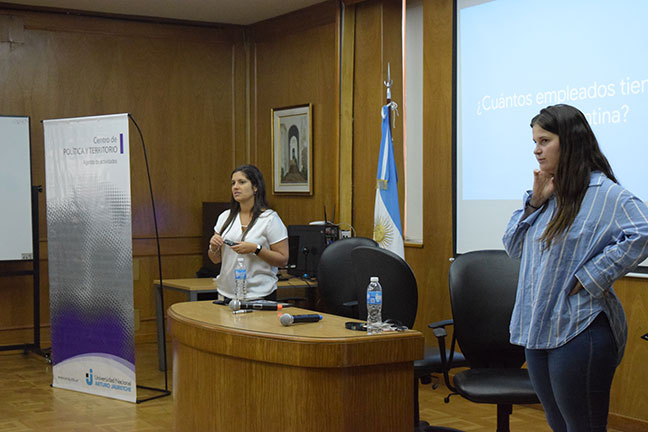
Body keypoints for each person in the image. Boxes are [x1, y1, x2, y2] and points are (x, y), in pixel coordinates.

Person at [502, 104, 648, 432]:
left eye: (544, 140)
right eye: (535, 141)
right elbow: (513, 247)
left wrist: (594, 274)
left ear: (568, 141)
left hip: (580, 328)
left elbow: (644, 230)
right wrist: (534, 202)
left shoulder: (604, 192)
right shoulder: (546, 194)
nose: (536, 150)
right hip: (538, 328)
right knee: (558, 424)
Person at [208, 164, 289, 301]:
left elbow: (283, 260)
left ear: (255, 187)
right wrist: (213, 247)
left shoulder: (269, 219)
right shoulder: (225, 217)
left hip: (260, 294)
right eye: (233, 183)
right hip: (227, 293)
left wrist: (256, 249)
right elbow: (215, 259)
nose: (235, 187)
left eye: (242, 182)